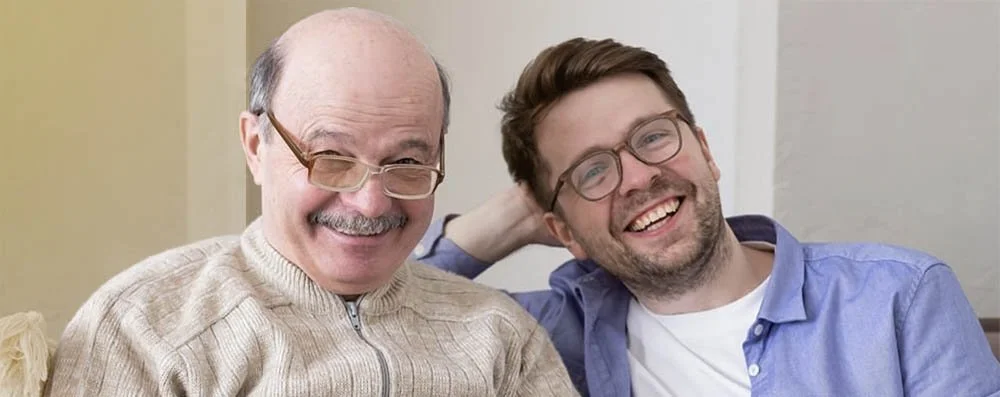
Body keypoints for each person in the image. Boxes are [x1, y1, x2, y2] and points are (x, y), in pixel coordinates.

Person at [414, 37, 1000, 396]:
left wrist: (578, 187)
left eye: (653, 136)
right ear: (562, 230)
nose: (640, 176)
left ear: (705, 150)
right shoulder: (543, 335)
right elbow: (370, 304)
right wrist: (514, 214)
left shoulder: (899, 298)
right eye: (593, 170)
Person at [44, 8, 578, 396]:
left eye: (407, 164)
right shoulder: (143, 325)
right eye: (330, 156)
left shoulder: (502, 336)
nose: (370, 203)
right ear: (256, 146)